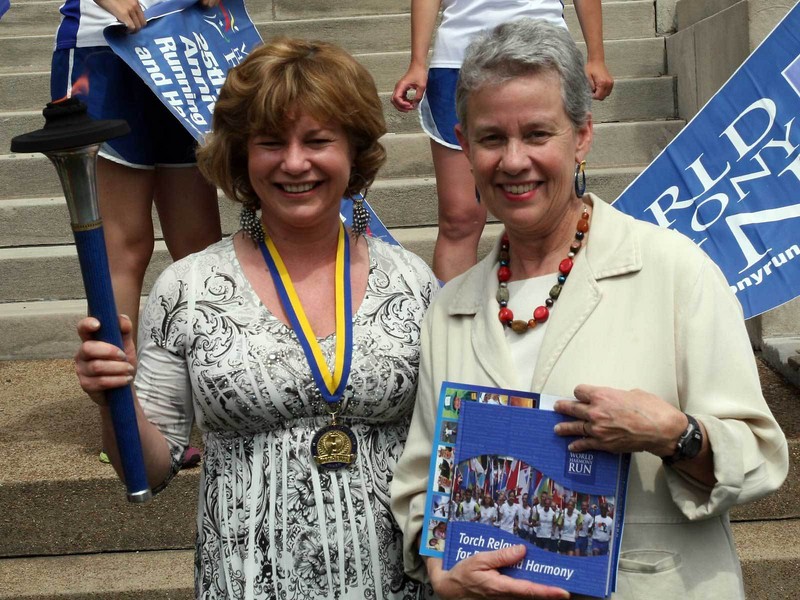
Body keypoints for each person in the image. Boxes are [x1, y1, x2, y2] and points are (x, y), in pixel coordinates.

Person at [390, 18, 788, 599]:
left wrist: (674, 435)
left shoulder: (674, 271)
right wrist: (441, 568)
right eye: (492, 138)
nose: (514, 160)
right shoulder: (451, 306)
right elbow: (422, 484)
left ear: (581, 136)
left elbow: (759, 457)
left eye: (537, 134)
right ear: (465, 148)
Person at [75, 38, 439, 600]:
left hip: (396, 583)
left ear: (354, 149)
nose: (294, 162)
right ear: (242, 155)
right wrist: (113, 401)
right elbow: (148, 472)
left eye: (317, 140)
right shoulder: (188, 288)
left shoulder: (412, 281)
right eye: (270, 142)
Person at [391, 0, 613, 281]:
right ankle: (454, 308)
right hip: (458, 56)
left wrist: (596, 56)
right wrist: (417, 62)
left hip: (545, 49)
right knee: (459, 220)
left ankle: (564, 300)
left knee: (555, 211)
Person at [51, 0, 223, 336]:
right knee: (122, 247)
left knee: (200, 244)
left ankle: (212, 365)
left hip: (184, 39)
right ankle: (115, 369)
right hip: (102, 43)